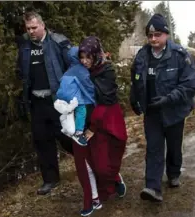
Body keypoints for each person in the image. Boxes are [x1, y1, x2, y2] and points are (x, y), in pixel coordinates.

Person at [130, 14, 195, 202]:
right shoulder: (142, 56)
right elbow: (135, 79)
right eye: (150, 36)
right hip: (152, 112)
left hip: (174, 112)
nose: (153, 39)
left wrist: (168, 99)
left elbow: (190, 86)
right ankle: (152, 187)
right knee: (153, 148)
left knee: (174, 146)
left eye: (157, 35)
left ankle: (174, 173)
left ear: (166, 35)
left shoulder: (179, 55)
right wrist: (134, 98)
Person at [16, 11, 74, 195]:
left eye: (34, 27)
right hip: (36, 102)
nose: (31, 31)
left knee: (67, 138)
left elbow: (72, 68)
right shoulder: (25, 47)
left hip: (57, 101)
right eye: (28, 28)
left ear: (42, 25)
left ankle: (89, 163)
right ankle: (50, 180)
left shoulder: (58, 42)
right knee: (42, 141)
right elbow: (21, 73)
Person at [72, 36, 128, 216]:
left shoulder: (107, 71)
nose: (84, 61)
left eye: (88, 57)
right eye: (82, 57)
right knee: (98, 162)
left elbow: (105, 101)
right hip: (93, 121)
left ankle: (114, 177)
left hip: (108, 120)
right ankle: (111, 180)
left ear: (96, 55)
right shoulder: (82, 71)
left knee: (109, 160)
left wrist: (93, 127)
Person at [56, 46, 95, 146]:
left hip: (62, 95)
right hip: (73, 96)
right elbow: (88, 86)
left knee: (70, 113)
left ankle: (66, 128)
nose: (84, 61)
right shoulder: (81, 69)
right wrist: (95, 98)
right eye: (81, 57)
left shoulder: (70, 68)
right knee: (81, 111)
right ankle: (78, 133)